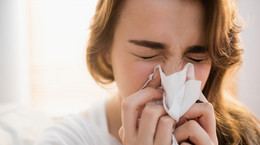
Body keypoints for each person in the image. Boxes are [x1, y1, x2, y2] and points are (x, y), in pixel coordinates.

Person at [36, 0, 260, 144]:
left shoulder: (246, 135)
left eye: (196, 58)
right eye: (148, 55)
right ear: (105, 50)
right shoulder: (67, 140)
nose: (173, 80)